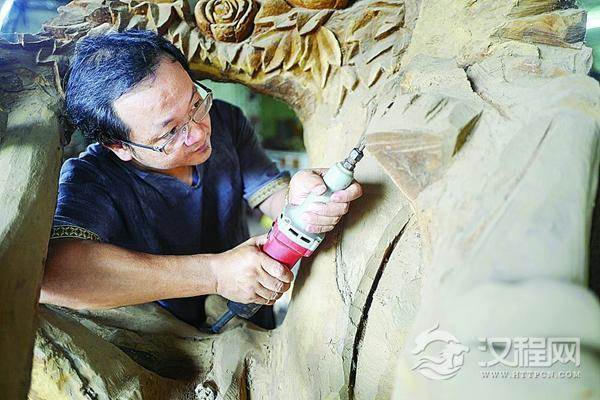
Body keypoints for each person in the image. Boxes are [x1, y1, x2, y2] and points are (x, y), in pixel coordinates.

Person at [40, 30, 362, 329]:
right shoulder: (91, 179)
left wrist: (301, 199)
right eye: (170, 132)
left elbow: (271, 196)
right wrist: (215, 274)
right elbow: (55, 274)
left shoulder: (225, 121)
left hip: (251, 315)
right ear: (119, 146)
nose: (198, 132)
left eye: (196, 103)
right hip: (167, 341)